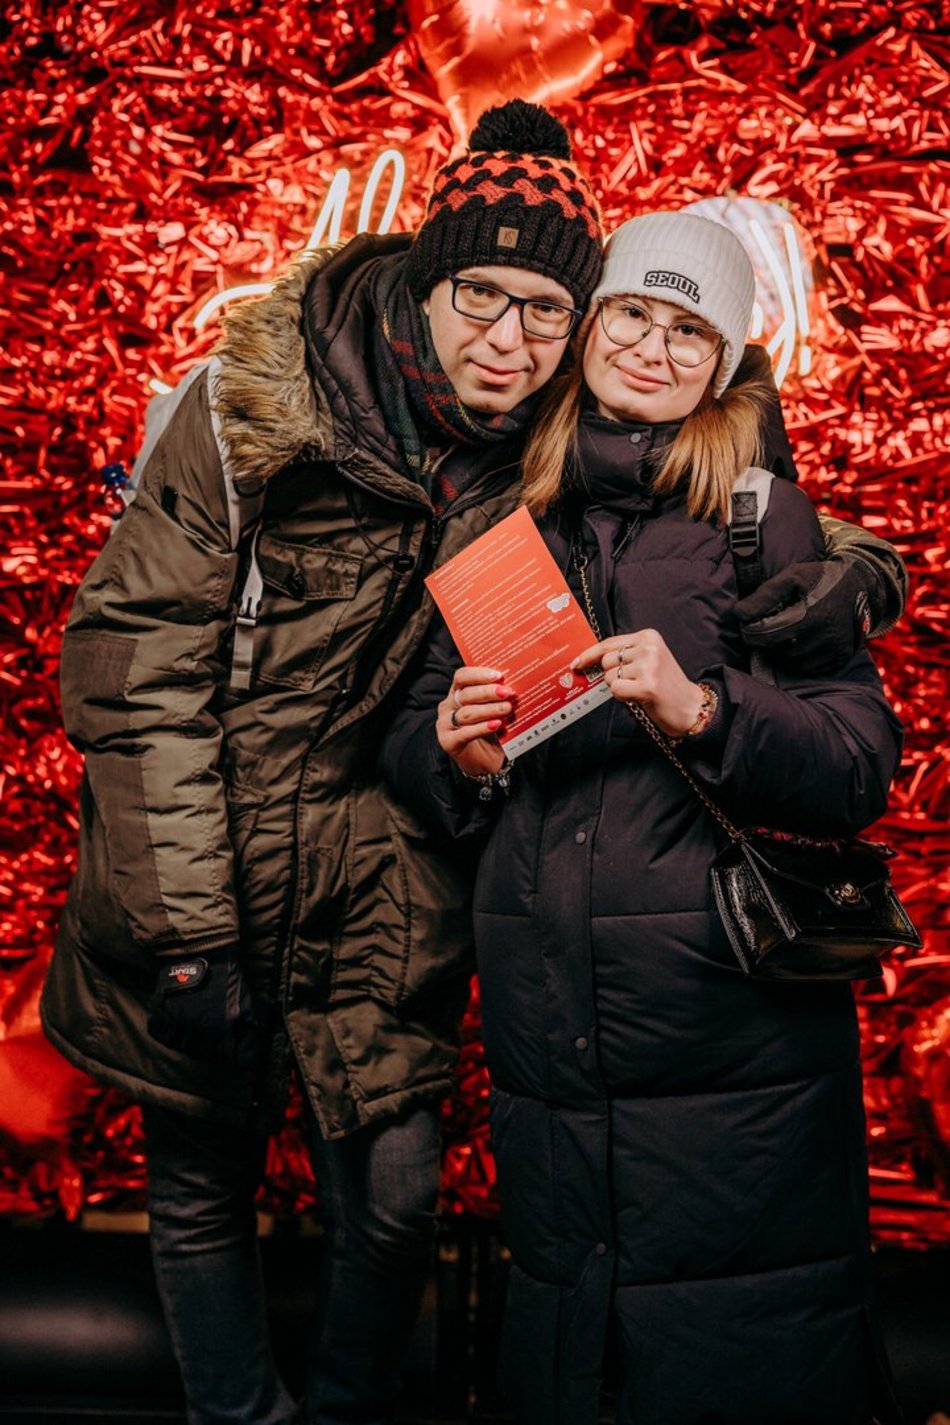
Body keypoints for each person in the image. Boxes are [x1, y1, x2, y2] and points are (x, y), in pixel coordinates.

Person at [42, 94, 900, 1423]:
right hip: (199, 861)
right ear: (423, 281)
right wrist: (188, 932)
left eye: (545, 312)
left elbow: (723, 466)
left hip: (385, 894)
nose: (507, 342)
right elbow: (134, 664)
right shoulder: (253, 416)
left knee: (391, 1208)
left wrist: (855, 569)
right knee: (200, 1191)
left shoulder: (551, 441)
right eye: (479, 298)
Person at [381, 211, 906, 1425]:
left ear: (721, 367)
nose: (653, 350)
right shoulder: (497, 514)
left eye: (690, 332)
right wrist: (449, 749)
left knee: (734, 1355)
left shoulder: (758, 517)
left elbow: (852, 762)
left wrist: (704, 707)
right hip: (547, 1030)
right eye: (632, 314)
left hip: (730, 1042)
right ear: (588, 328)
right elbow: (416, 744)